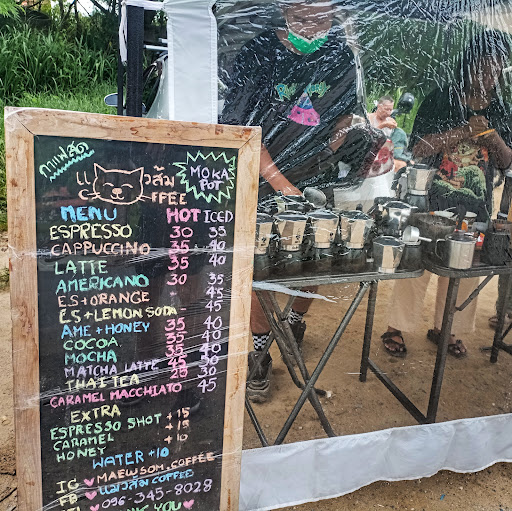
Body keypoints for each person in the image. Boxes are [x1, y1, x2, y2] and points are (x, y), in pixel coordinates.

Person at [221, 0, 377, 401]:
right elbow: (240, 128)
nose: (312, 27)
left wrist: (339, 143)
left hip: (317, 176)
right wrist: (281, 183)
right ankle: (259, 352)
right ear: (285, 9)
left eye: (322, 18)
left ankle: (293, 321)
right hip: (261, 173)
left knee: (313, 252)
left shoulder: (339, 55)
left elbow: (346, 116)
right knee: (260, 266)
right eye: (303, 17)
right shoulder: (259, 53)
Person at [381, 30, 512, 358]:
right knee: (416, 262)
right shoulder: (441, 99)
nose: (489, 77)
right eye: (483, 68)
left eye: (496, 70)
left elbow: (507, 161)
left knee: (465, 267)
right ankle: (396, 326)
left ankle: (447, 328)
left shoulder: (502, 110)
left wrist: (492, 137)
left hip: (476, 205)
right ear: (468, 65)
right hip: (430, 200)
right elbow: (418, 148)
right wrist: (464, 131)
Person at [368, 95, 412, 171]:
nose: (388, 113)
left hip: (385, 153)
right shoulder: (369, 118)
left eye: (390, 110)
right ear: (379, 106)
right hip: (370, 153)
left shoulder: (391, 120)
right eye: (386, 109)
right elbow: (368, 137)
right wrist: (383, 125)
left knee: (402, 164)